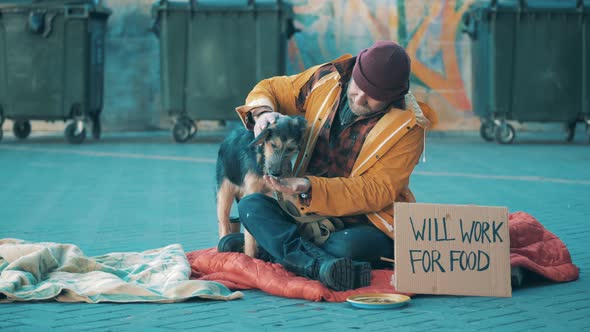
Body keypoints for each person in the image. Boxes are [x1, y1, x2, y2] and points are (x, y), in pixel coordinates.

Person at [218, 41, 437, 291]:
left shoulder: (409, 127)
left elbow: (378, 191)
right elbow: (272, 89)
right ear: (353, 71)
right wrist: (262, 112)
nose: (361, 98)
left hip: (363, 220)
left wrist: (309, 186)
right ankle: (318, 266)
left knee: (345, 247)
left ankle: (283, 250)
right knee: (251, 206)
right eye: (358, 86)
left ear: (393, 98)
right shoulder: (327, 78)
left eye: (374, 97)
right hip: (302, 210)